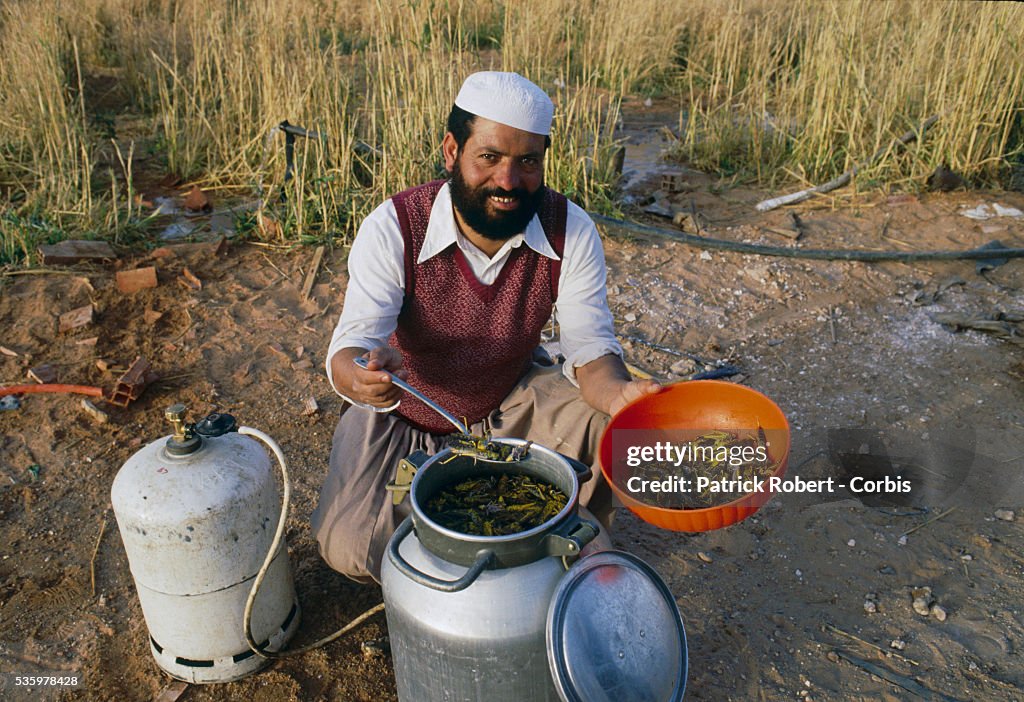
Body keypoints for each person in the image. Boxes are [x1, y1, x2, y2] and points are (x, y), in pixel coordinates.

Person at [312, 71, 660, 583]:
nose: (508, 181)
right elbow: (353, 346)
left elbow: (591, 352)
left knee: (604, 423)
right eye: (490, 158)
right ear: (452, 151)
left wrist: (618, 396)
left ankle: (556, 549)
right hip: (411, 411)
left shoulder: (572, 229)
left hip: (510, 397)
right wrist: (360, 373)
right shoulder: (394, 226)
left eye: (527, 162)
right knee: (351, 549)